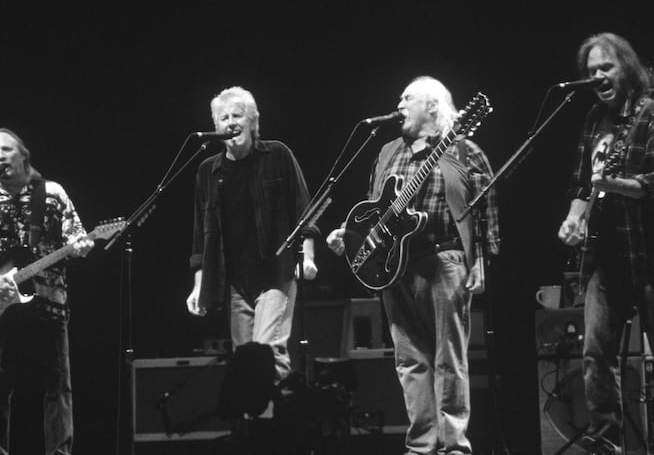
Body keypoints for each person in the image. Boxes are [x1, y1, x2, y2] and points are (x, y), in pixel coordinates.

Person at [327, 76, 500, 455]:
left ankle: (454, 445)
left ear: (433, 106)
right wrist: (349, 235)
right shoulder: (389, 150)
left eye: (408, 98)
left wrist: (482, 260)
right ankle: (422, 444)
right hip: (393, 265)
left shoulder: (464, 150)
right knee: (409, 359)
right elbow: (375, 206)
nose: (399, 104)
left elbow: (486, 208)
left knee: (448, 358)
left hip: (444, 259)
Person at [557, 33, 654, 453]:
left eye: (606, 67)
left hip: (650, 257)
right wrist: (572, 217)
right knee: (594, 355)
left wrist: (610, 183)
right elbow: (579, 184)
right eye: (591, 71)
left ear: (627, 67)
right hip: (604, 258)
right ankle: (606, 440)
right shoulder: (592, 119)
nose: (598, 76)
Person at [0, 128, 94, 455]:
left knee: (58, 386)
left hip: (50, 302)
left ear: (22, 155)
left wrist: (81, 247)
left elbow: (77, 239)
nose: (0, 156)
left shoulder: (52, 193)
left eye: (7, 150)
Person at [186, 86, 318, 386]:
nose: (231, 122)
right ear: (216, 128)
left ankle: (276, 425)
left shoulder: (277, 155)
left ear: (253, 121)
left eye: (238, 115)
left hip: (276, 274)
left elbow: (305, 211)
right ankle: (257, 426)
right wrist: (199, 285)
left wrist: (307, 258)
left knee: (265, 352)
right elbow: (200, 236)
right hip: (234, 283)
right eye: (224, 117)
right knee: (245, 362)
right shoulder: (209, 171)